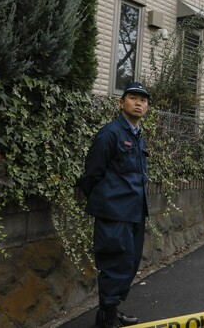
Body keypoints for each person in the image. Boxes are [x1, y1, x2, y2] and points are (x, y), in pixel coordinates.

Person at [77, 81, 150, 328]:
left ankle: (110, 312)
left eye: (143, 100)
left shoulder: (137, 136)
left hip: (135, 212)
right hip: (114, 213)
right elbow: (92, 174)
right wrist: (106, 202)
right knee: (113, 264)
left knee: (128, 264)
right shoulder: (110, 133)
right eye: (133, 97)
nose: (139, 102)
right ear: (122, 102)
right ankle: (106, 320)